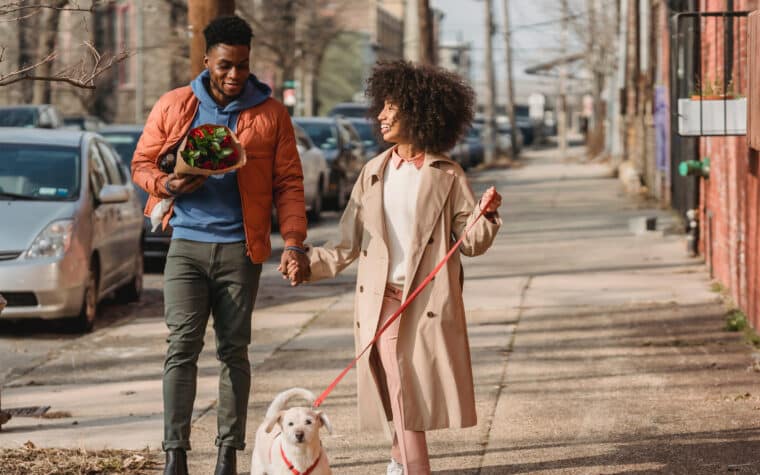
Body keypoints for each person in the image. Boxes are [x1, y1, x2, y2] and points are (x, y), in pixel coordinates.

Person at [284, 60, 502, 475]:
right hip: (380, 300)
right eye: (380, 107)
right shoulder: (373, 172)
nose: (380, 116)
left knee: (405, 388)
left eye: (391, 108)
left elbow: (470, 244)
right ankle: (409, 463)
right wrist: (307, 265)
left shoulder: (447, 175)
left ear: (418, 113)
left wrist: (484, 215)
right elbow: (347, 243)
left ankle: (404, 461)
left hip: (424, 302)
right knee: (398, 384)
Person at [131, 15, 309, 475]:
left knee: (234, 351)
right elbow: (141, 164)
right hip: (186, 245)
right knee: (181, 347)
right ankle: (175, 453)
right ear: (206, 58)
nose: (234, 75)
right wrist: (167, 184)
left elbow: (288, 182)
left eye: (243, 66)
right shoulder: (176, 105)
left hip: (240, 249)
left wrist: (294, 242)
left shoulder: (271, 114)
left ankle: (228, 453)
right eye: (225, 65)